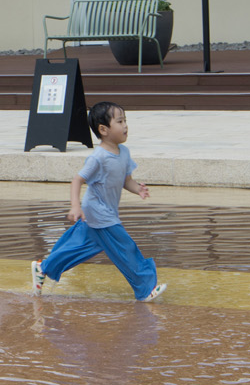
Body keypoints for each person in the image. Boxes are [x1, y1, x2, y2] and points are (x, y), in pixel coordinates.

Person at [32, 101, 166, 302]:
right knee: (125, 247)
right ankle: (145, 288)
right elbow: (77, 179)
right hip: (97, 211)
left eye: (125, 120)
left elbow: (126, 180)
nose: (125, 126)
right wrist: (75, 206)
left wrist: (137, 188)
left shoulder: (125, 153)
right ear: (103, 129)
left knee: (82, 247)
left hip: (104, 212)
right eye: (120, 121)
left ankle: (44, 268)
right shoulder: (98, 158)